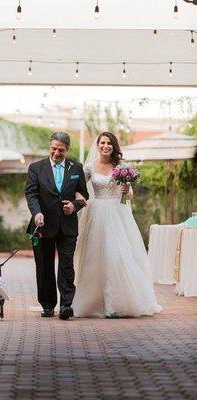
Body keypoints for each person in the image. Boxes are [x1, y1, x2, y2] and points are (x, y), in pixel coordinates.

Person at [73, 132, 162, 318]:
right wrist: (79, 197)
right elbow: (78, 189)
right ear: (98, 146)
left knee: (117, 254)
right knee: (95, 256)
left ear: (114, 146)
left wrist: (127, 190)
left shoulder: (121, 167)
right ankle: (94, 302)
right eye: (102, 143)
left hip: (118, 213)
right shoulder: (89, 167)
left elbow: (129, 196)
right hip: (97, 213)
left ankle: (115, 303)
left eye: (109, 143)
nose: (106, 146)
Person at [25, 132, 89, 320]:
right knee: (44, 266)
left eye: (61, 150)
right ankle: (47, 305)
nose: (56, 152)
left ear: (67, 150)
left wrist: (74, 206)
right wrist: (36, 213)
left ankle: (66, 305)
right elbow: (31, 194)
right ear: (49, 147)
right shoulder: (36, 168)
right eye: (54, 148)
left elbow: (83, 194)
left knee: (66, 265)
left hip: (68, 226)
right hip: (42, 225)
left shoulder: (76, 167)